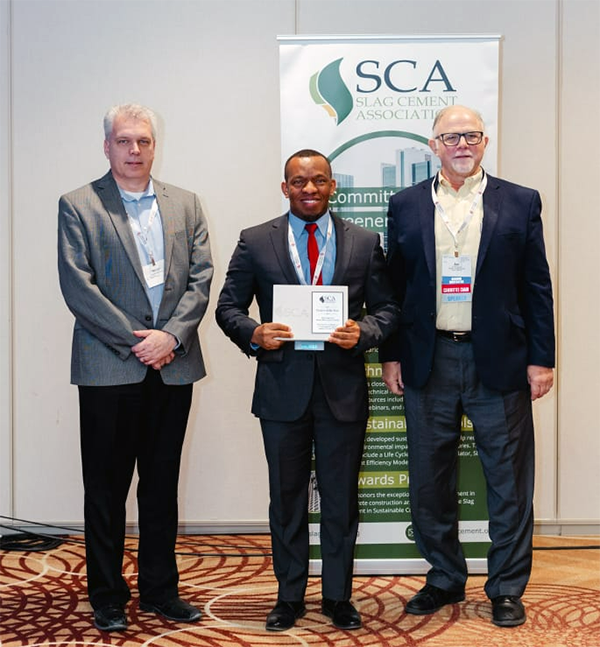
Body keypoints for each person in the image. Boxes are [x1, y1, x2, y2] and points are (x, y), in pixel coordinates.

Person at [380, 105, 555, 628]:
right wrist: (390, 353)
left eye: (472, 136)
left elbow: (536, 286)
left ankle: (506, 587)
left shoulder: (520, 201)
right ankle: (443, 577)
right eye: (451, 136)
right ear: (433, 145)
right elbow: (392, 288)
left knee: (509, 480)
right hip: (428, 358)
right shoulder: (405, 204)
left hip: (498, 360)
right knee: (428, 479)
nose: (462, 144)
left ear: (484, 142)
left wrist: (541, 359)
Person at [216, 149, 399, 632]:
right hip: (281, 391)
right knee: (287, 498)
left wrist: (366, 332)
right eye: (299, 182)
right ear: (285, 188)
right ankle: (289, 596)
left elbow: (387, 309)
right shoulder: (256, 240)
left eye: (319, 180)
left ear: (333, 186)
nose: (310, 189)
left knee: (341, 499)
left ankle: (338, 596)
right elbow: (228, 307)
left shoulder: (364, 242)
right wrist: (254, 333)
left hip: (342, 391)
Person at [57, 103, 213, 632]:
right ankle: (106, 594)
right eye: (124, 141)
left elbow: (201, 278)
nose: (134, 150)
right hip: (109, 368)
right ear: (107, 146)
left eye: (143, 141)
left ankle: (160, 590)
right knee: (105, 488)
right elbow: (78, 286)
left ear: (154, 145)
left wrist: (171, 336)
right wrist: (138, 342)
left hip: (173, 364)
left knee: (161, 485)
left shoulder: (186, 203)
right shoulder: (79, 204)